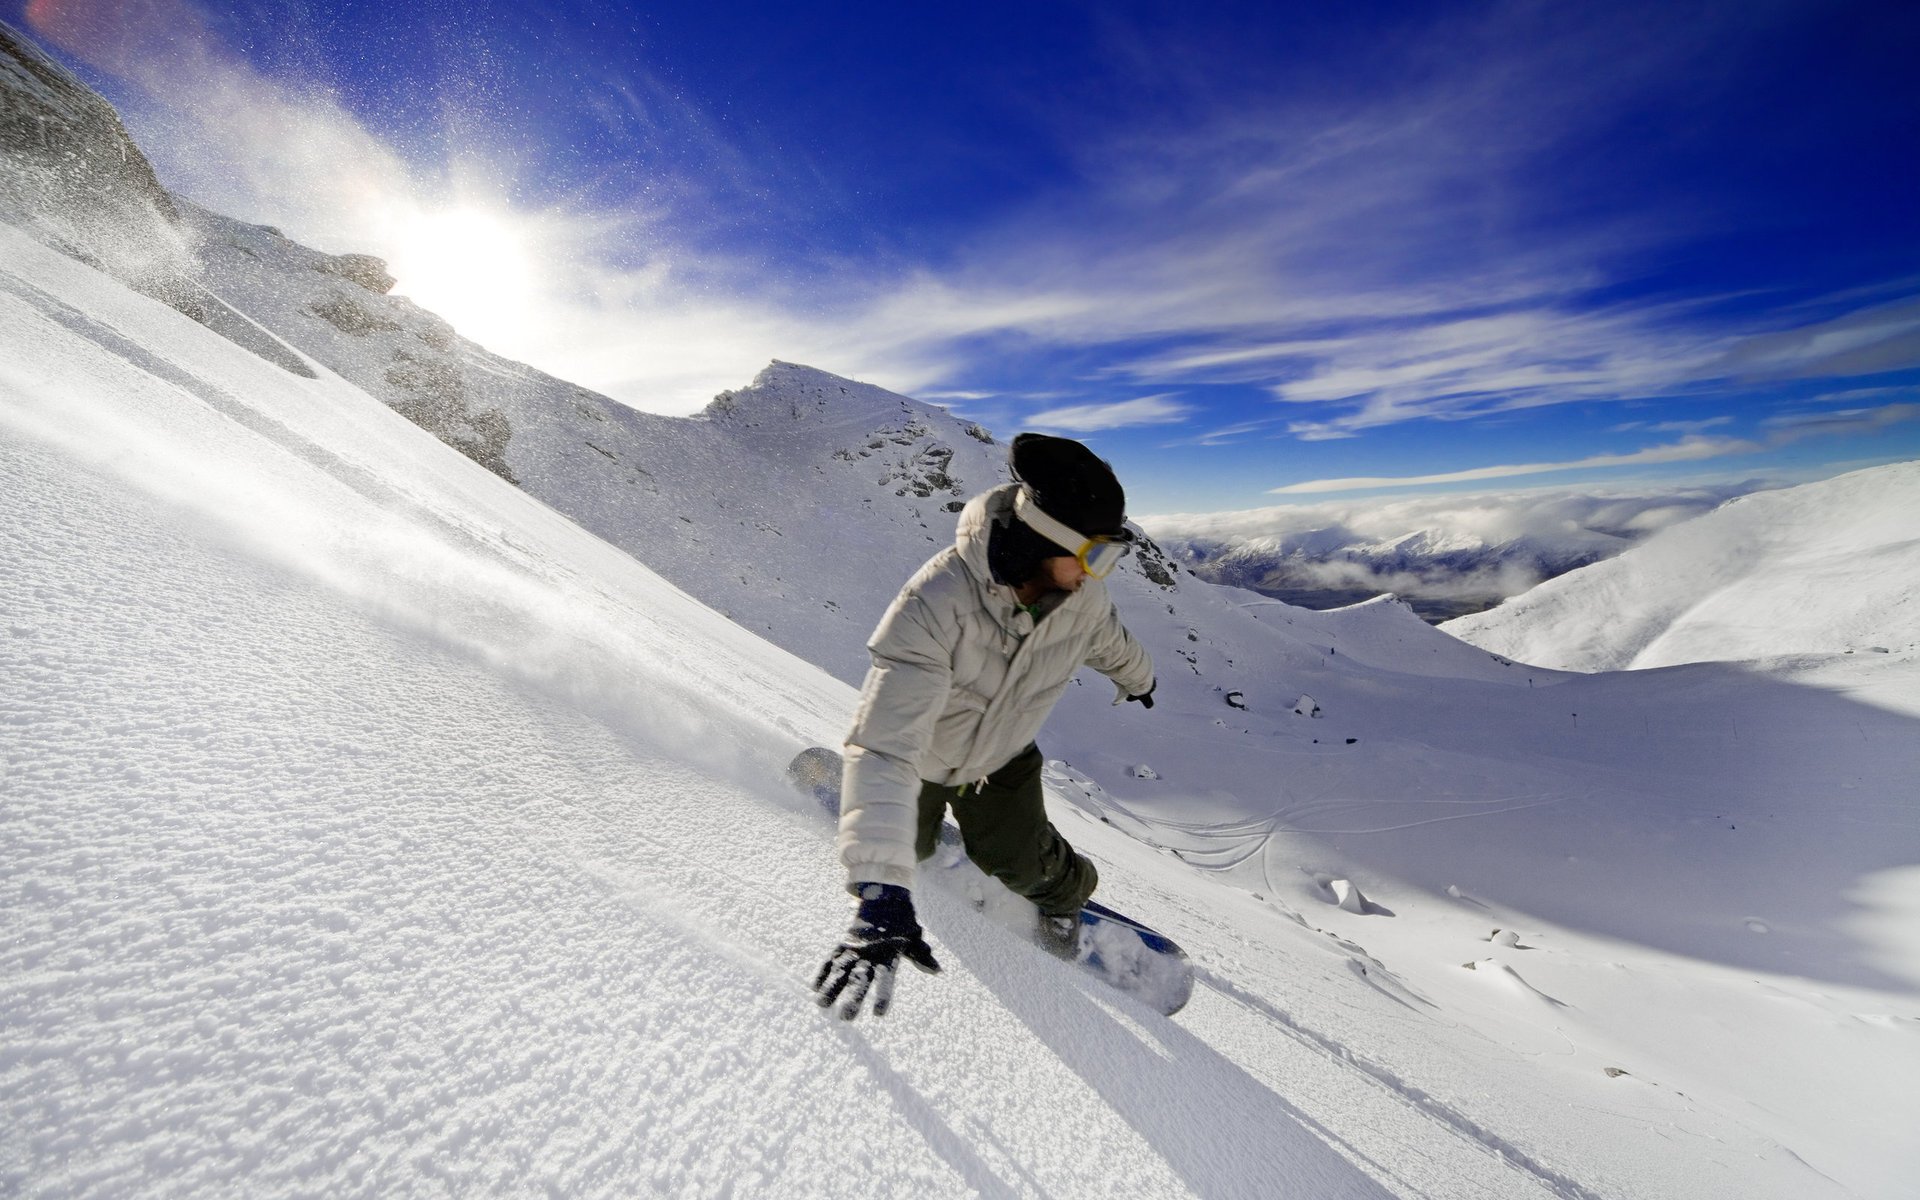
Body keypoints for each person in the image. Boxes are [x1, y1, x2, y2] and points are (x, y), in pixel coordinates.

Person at [812, 433, 1156, 1019]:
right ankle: (889, 826)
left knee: (1023, 863)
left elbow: (1107, 640)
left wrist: (1139, 678)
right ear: (1041, 540)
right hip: (920, 756)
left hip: (1001, 755)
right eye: (1095, 556)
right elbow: (886, 747)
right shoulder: (934, 605)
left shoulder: (1080, 597)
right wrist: (880, 889)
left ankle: (1067, 896)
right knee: (907, 852)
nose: (1098, 575)